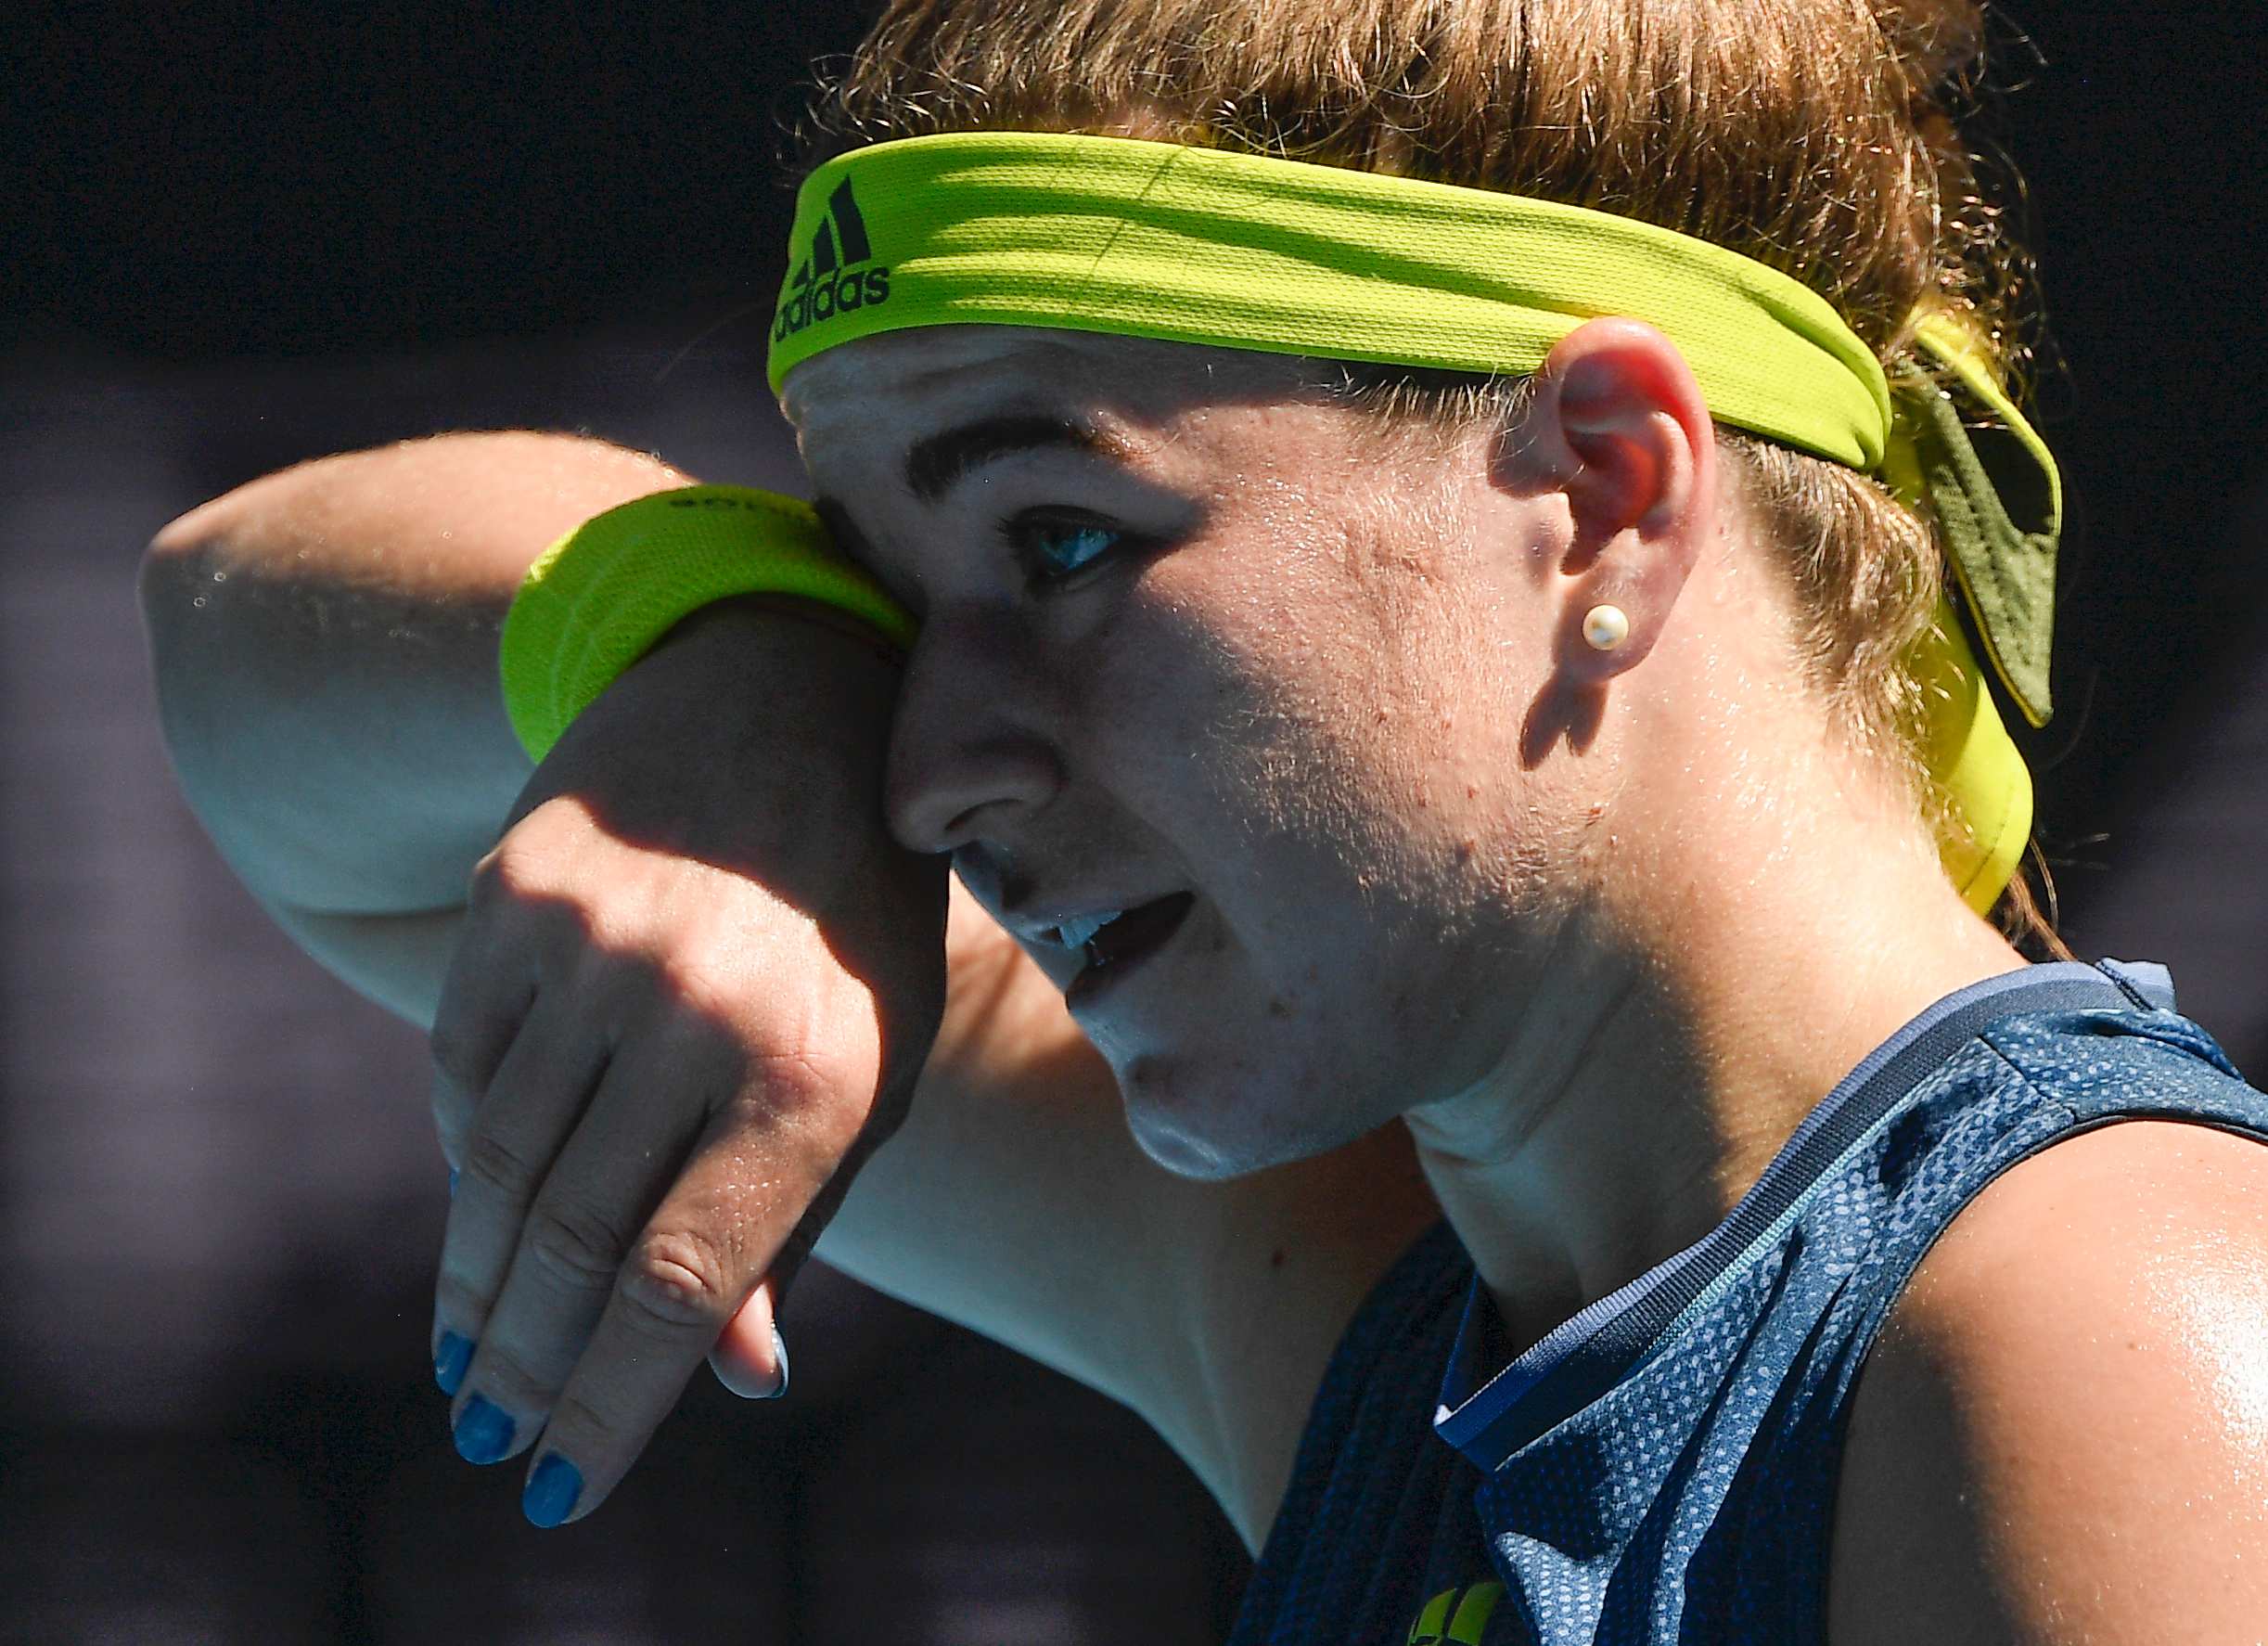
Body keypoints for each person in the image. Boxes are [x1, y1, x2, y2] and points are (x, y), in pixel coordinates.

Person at [139, 0, 2268, 1640]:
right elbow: (236, 655)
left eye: (1057, 541)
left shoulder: (2097, 1337)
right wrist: (708, 654)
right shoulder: (1388, 1295)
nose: (925, 758)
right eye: (893, 601)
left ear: (1608, 490)